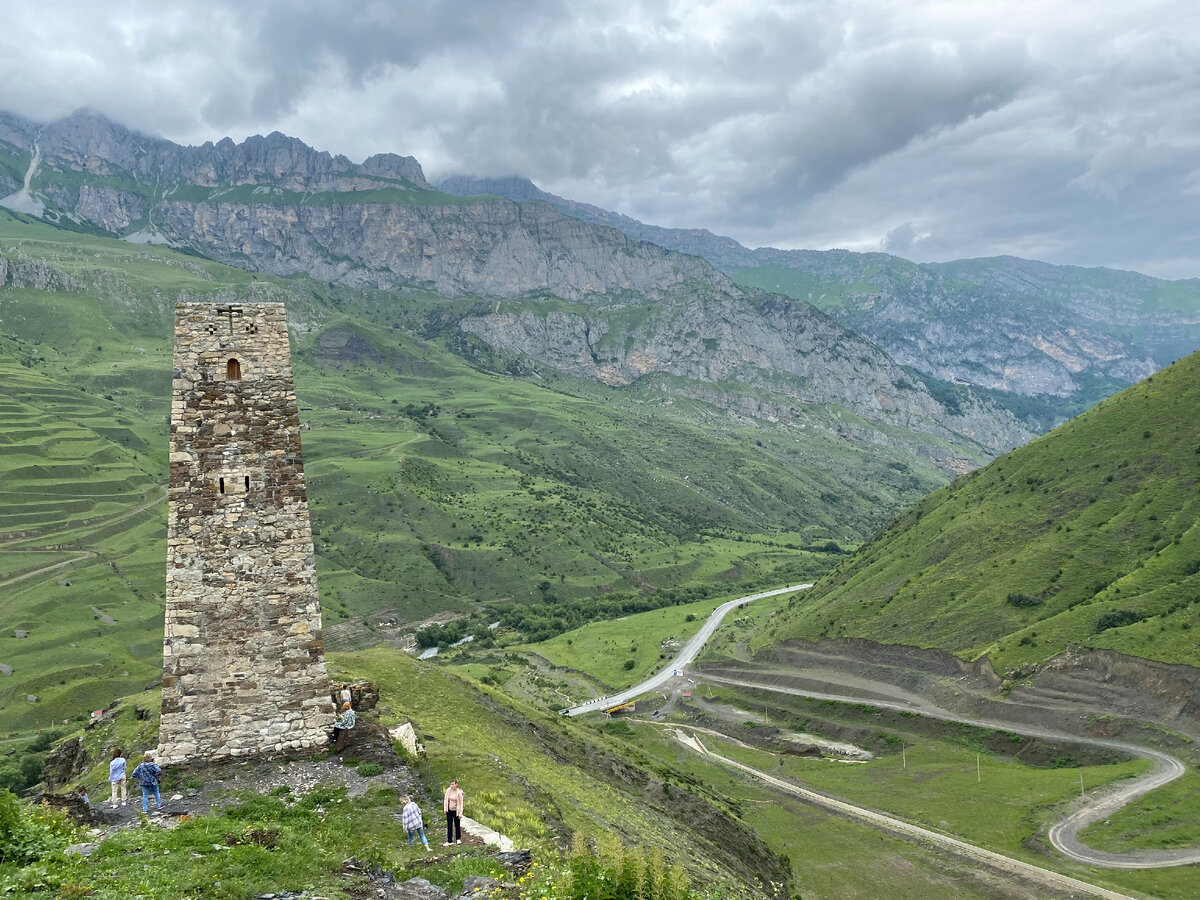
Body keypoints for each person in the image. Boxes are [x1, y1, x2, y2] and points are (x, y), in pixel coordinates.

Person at [443, 779, 464, 845]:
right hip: (449, 810)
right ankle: (449, 840)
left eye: (453, 784)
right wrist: (445, 809)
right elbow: (446, 800)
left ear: (456, 785)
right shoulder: (448, 790)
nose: (451, 786)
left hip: (456, 811)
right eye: (451, 784)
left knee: (457, 825)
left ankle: (458, 839)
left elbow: (461, 804)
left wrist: (460, 814)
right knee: (449, 825)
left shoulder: (459, 793)